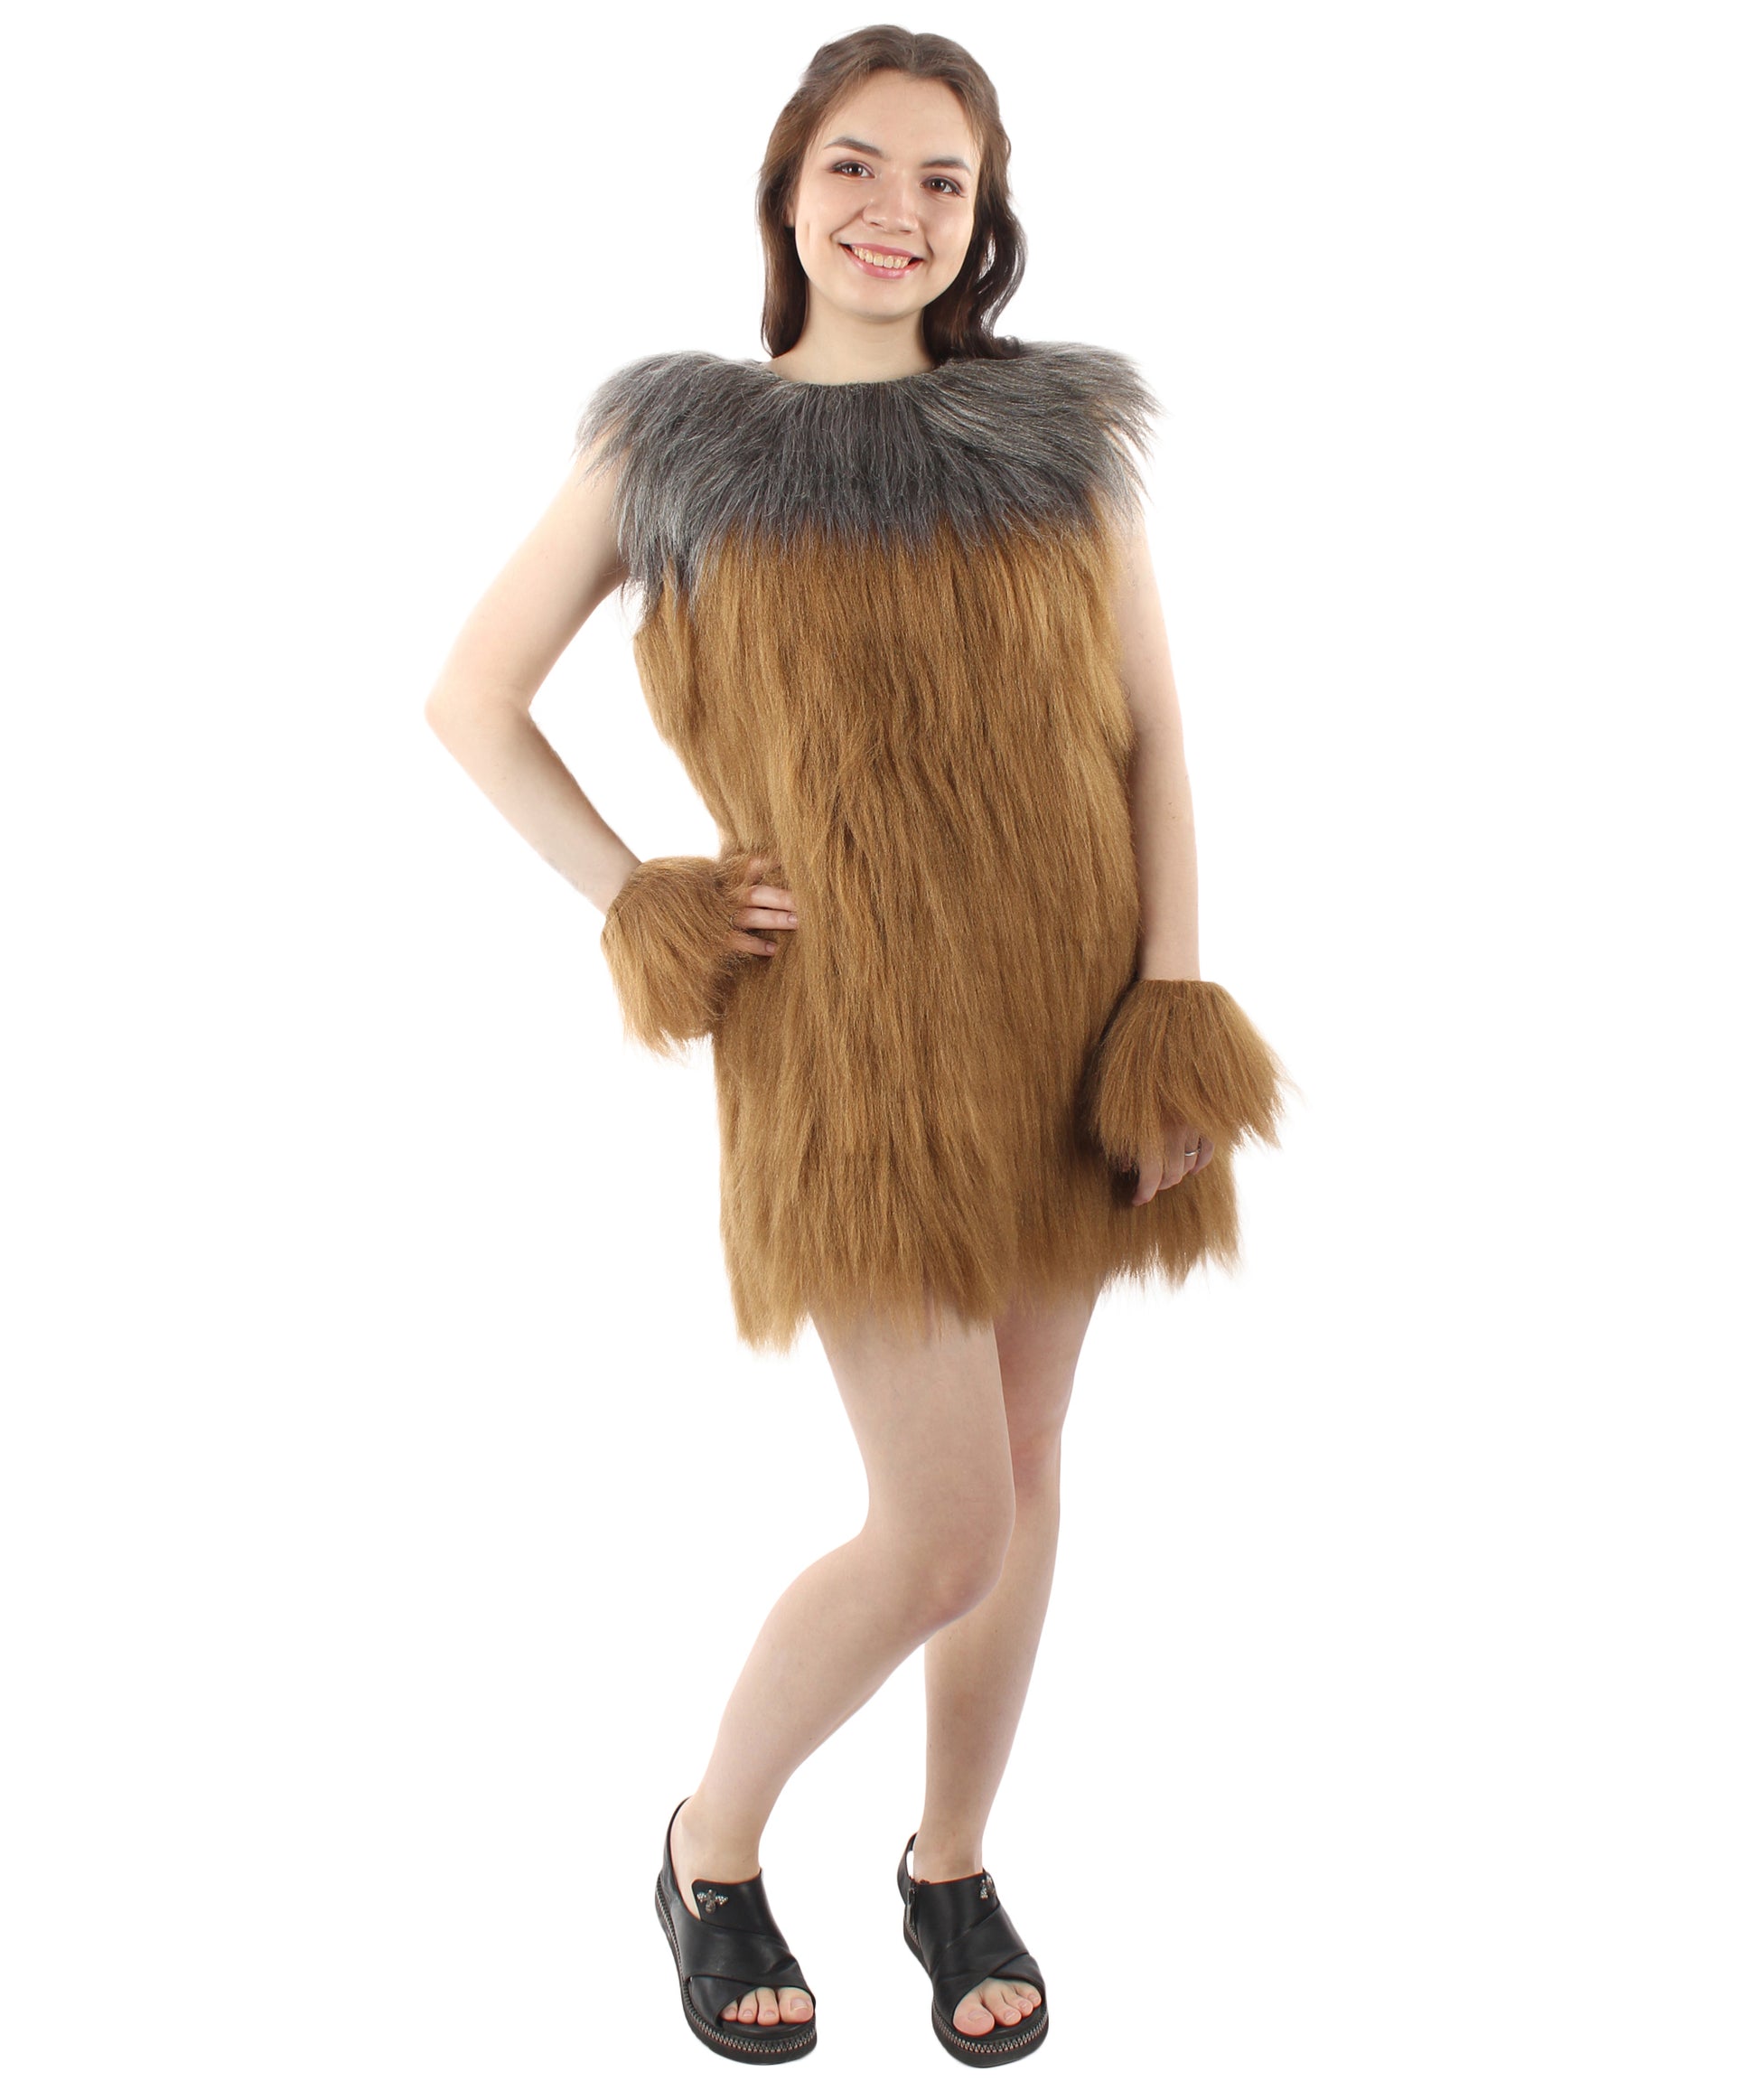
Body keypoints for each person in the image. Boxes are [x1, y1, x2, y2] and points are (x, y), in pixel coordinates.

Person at [425, 24, 1289, 2069]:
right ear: (785, 186)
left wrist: (1170, 1011)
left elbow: (1155, 741)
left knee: (1030, 1466)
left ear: (984, 221)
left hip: (1070, 1019)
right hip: (847, 1048)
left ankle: (949, 1860)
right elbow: (471, 698)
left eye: (942, 183)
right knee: (942, 1526)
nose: (896, 213)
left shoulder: (1061, 436)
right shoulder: (675, 443)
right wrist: (640, 891)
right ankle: (708, 1847)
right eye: (857, 167)